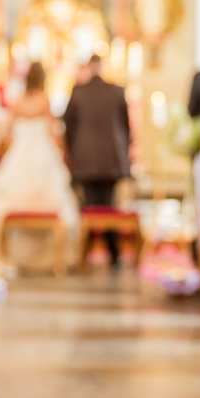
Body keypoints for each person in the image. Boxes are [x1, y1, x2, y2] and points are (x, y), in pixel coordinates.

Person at [0, 63, 79, 270]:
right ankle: (50, 255)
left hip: (20, 156)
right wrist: (65, 156)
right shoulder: (44, 100)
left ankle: (12, 254)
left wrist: (3, 155)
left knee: (4, 198)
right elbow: (53, 132)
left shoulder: (18, 101)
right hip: (42, 156)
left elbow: (9, 133)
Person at [63, 55, 131, 265]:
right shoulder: (117, 90)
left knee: (89, 205)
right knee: (109, 204)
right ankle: (113, 252)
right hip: (112, 158)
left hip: (85, 159)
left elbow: (68, 126)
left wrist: (74, 151)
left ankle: (86, 249)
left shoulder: (78, 92)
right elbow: (126, 127)